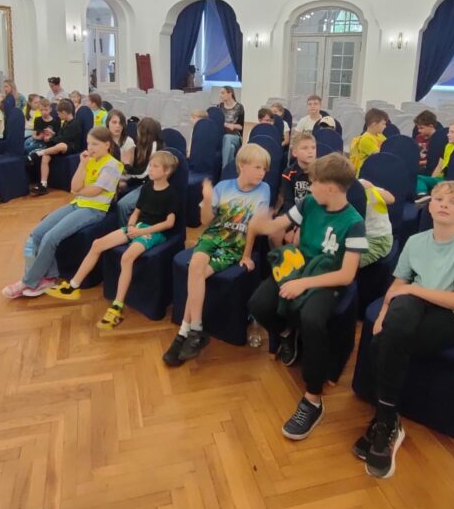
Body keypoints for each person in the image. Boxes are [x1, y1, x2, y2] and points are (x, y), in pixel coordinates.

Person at [354, 181, 454, 478]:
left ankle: (385, 420)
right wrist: (384, 313)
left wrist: (412, 291)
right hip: (416, 305)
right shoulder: (416, 242)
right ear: (429, 207)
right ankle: (389, 420)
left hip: (453, 316)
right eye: (439, 200)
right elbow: (399, 283)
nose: (444, 205)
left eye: (453, 202)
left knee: (385, 341)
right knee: (390, 326)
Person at [248, 153, 367, 439]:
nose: (309, 187)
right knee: (258, 304)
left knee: (312, 319)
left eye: (314, 183)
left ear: (331, 188)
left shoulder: (354, 222)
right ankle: (287, 333)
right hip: (300, 266)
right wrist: (262, 223)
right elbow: (279, 224)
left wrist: (304, 284)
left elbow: (346, 275)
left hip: (328, 277)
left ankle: (313, 400)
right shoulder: (310, 202)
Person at [164, 143, 271, 366]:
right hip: (212, 237)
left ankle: (185, 333)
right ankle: (196, 330)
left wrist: (247, 255)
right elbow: (205, 221)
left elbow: (254, 226)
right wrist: (206, 198)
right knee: (196, 265)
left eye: (264, 169)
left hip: (234, 245)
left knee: (197, 275)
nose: (262, 173)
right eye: (258, 167)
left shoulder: (264, 189)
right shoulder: (223, 186)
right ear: (242, 165)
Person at [48, 151, 181, 329]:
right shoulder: (147, 188)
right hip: (137, 227)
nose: (150, 169)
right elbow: (136, 212)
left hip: (153, 233)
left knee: (126, 257)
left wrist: (142, 231)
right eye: (150, 165)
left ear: (167, 171)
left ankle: (117, 306)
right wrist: (131, 225)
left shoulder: (172, 194)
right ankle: (73, 285)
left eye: (155, 166)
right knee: (97, 244)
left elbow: (169, 223)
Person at [2, 126, 124, 299]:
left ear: (107, 144)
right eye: (89, 143)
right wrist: (82, 164)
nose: (90, 148)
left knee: (50, 238)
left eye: (95, 144)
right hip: (77, 204)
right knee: (37, 234)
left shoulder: (113, 165)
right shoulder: (89, 160)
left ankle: (27, 282)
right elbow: (74, 186)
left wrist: (78, 191)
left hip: (94, 209)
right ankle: (49, 277)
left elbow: (94, 191)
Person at [29, 99, 84, 196]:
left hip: (72, 147)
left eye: (59, 113)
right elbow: (60, 136)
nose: (58, 115)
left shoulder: (75, 123)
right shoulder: (65, 122)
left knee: (61, 145)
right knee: (46, 156)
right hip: (62, 144)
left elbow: (65, 138)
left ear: (64, 113)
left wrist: (51, 139)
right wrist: (52, 135)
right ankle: (43, 184)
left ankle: (37, 153)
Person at [273, 131, 317, 246]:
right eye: (305, 148)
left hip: (314, 214)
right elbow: (288, 201)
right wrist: (291, 227)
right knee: (274, 233)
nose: (310, 151)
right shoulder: (288, 173)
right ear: (295, 152)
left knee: (298, 239)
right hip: (293, 211)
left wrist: (299, 227)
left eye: (313, 147)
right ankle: (280, 257)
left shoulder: (321, 172)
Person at [117, 117, 163, 224]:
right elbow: (138, 172)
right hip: (142, 182)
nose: (136, 134)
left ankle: (126, 231)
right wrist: (126, 180)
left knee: (122, 205)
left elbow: (145, 174)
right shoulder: (143, 146)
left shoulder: (156, 146)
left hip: (151, 185)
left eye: (138, 131)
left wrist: (127, 166)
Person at [417, 119, 454, 193]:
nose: (448, 134)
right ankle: (423, 195)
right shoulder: (448, 146)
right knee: (418, 178)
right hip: (443, 179)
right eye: (449, 132)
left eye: (452, 132)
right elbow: (440, 166)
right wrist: (432, 182)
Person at [359, 178, 395, 268]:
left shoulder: (362, 185)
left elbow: (391, 199)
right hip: (355, 237)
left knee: (339, 265)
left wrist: (371, 188)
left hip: (377, 240)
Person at [349, 108, 390, 173]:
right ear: (374, 124)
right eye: (383, 124)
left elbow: (389, 146)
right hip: (366, 174)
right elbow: (381, 155)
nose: (385, 126)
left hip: (375, 170)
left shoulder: (380, 136)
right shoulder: (366, 139)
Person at [217, 85, 245, 169]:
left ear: (230, 94)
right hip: (222, 134)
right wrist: (225, 124)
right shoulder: (219, 106)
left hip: (235, 135)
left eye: (223, 93)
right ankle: (229, 170)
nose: (220, 95)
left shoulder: (239, 107)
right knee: (231, 148)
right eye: (220, 93)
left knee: (227, 137)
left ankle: (223, 168)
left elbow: (241, 127)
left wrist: (233, 125)